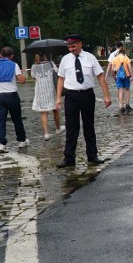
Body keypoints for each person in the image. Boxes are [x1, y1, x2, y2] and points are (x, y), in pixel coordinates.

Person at [54, 34, 112, 167]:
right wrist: (58, 98)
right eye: (69, 47)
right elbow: (61, 79)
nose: (71, 49)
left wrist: (106, 96)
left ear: (80, 44)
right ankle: (69, 157)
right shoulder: (65, 60)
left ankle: (92, 155)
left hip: (87, 94)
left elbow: (100, 77)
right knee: (71, 127)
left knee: (89, 126)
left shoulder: (90, 58)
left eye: (73, 46)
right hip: (71, 96)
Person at [0, 46, 28, 153]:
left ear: (0, 55)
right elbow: (22, 80)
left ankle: (1, 144)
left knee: (1, 120)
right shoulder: (14, 65)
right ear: (11, 56)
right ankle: (21, 140)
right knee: (17, 119)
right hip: (12, 95)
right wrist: (23, 76)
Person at [30, 53, 63, 139]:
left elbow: (33, 76)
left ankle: (46, 133)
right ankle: (58, 128)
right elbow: (58, 72)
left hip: (40, 91)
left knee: (43, 112)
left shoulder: (34, 66)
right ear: (45, 55)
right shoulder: (51, 63)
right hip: (51, 90)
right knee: (55, 110)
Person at [109, 44, 133, 113]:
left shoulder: (115, 59)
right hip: (126, 76)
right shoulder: (126, 58)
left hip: (118, 77)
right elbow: (130, 67)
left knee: (120, 91)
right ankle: (127, 104)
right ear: (124, 53)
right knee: (127, 90)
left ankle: (121, 105)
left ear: (118, 53)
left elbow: (112, 69)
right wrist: (132, 76)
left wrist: (114, 76)